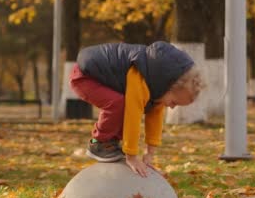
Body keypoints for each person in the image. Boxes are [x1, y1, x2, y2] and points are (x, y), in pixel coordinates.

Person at [69, 41, 205, 177]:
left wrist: (149, 153)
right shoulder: (141, 79)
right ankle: (98, 144)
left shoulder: (158, 88)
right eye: (174, 102)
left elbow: (155, 120)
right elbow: (132, 117)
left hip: (102, 78)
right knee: (118, 103)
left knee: (121, 104)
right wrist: (131, 157)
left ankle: (110, 144)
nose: (171, 106)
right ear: (168, 86)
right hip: (85, 76)